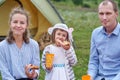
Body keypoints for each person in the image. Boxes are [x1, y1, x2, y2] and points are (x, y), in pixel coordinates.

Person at [0, 7, 40, 80]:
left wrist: (33, 74)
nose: (18, 25)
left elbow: (36, 67)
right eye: (15, 22)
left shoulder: (34, 45)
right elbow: (5, 73)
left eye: (22, 23)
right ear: (10, 23)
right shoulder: (2, 46)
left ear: (27, 25)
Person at [88, 0, 120, 80]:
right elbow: (93, 61)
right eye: (101, 14)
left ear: (116, 14)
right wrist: (90, 77)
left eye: (108, 13)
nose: (104, 17)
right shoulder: (95, 33)